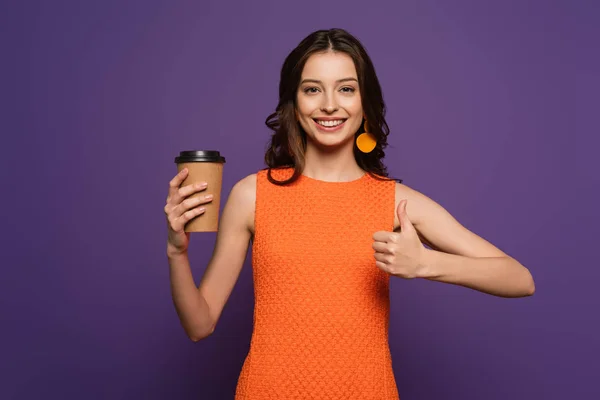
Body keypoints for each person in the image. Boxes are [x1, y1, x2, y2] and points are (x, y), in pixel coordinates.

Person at [164, 28, 535, 399]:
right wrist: (177, 252)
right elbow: (200, 324)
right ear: (293, 102)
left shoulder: (396, 202)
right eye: (312, 89)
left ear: (365, 102)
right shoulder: (252, 195)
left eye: (346, 88)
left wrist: (424, 263)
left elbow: (519, 279)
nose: (329, 105)